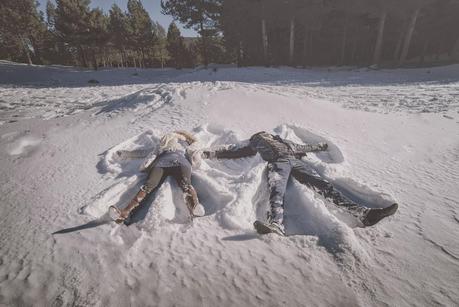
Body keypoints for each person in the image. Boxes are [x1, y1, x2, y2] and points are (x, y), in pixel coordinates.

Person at [202, 131, 398, 236]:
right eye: (258, 136)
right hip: (277, 164)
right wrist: (211, 153)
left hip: (294, 161)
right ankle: (276, 224)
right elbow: (235, 150)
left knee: (323, 185)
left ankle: (364, 214)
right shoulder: (255, 143)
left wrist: (319, 146)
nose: (262, 136)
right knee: (276, 191)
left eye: (264, 135)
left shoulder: (285, 143)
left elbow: (303, 147)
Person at [109, 130, 204, 224]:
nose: (173, 137)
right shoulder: (160, 146)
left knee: (185, 184)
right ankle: (124, 213)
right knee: (149, 185)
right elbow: (143, 153)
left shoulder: (186, 145)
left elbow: (198, 147)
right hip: (161, 164)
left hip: (180, 163)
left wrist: (184, 135)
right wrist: (126, 153)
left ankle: (195, 207)